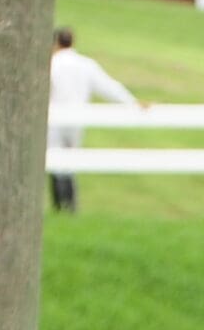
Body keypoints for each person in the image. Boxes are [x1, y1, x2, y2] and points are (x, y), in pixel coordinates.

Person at [46, 28, 141, 214]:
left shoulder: (52, 63)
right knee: (70, 162)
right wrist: (132, 102)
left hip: (55, 118)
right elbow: (109, 87)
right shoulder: (86, 64)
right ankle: (71, 208)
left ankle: (59, 207)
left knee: (55, 160)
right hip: (78, 119)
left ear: (56, 43)